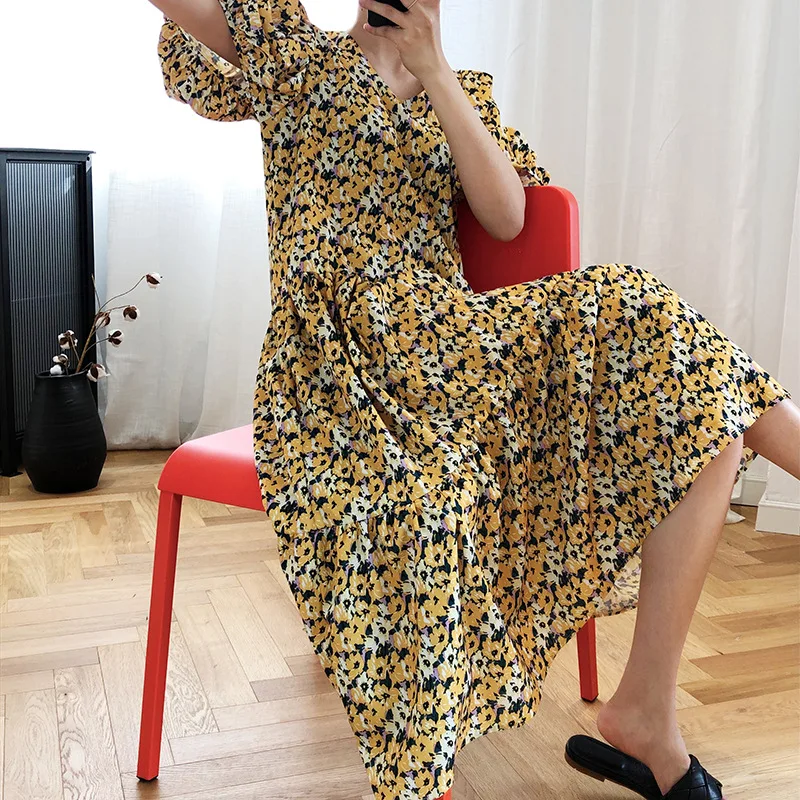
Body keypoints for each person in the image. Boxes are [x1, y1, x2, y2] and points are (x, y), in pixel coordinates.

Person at [153, 1, 799, 798]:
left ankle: (644, 711)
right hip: (335, 364)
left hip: (455, 345)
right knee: (424, 503)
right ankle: (632, 725)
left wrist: (434, 70)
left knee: (675, 359)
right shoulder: (292, 53)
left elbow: (508, 216)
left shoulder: (464, 92)